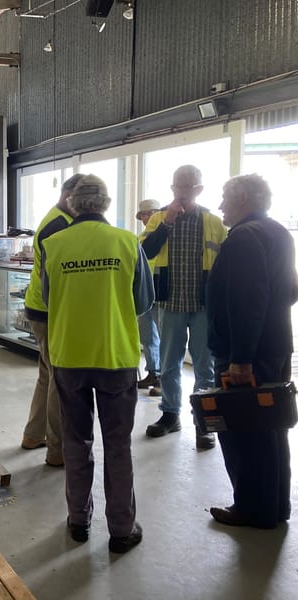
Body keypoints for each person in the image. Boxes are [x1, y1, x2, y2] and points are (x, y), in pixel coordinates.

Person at [41, 174, 153, 553]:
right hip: (115, 357)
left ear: (72, 204)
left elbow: (45, 299)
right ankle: (122, 528)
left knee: (76, 442)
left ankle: (78, 520)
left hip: (69, 357)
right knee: (118, 445)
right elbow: (143, 302)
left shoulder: (53, 245)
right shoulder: (127, 242)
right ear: (105, 203)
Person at [206, 174, 297, 529]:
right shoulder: (277, 232)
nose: (220, 206)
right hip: (274, 346)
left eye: (225, 198)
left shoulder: (243, 238)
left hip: (246, 356)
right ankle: (275, 506)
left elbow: (246, 302)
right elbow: (289, 290)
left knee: (244, 431)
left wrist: (240, 360)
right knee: (271, 428)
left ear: (242, 197)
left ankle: (252, 509)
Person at [141, 165, 226, 449]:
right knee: (168, 365)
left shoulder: (213, 221)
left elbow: (224, 262)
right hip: (170, 302)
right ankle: (170, 415)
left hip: (204, 304)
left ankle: (205, 422)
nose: (182, 192)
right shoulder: (157, 218)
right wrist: (166, 223)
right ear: (172, 188)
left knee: (205, 366)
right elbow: (145, 252)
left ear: (199, 190)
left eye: (188, 187)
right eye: (178, 186)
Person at [20, 173, 84, 466]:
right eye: (81, 198)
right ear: (68, 194)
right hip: (49, 311)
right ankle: (56, 451)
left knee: (47, 375)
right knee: (60, 379)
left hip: (41, 309)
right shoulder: (59, 225)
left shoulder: (60, 219)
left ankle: (34, 434)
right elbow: (54, 277)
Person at [135, 199, 162, 397]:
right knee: (147, 336)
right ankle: (153, 372)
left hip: (162, 292)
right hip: (145, 292)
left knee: (164, 337)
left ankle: (163, 378)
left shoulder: (165, 233)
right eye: (143, 215)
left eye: (148, 213)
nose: (145, 218)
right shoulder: (140, 237)